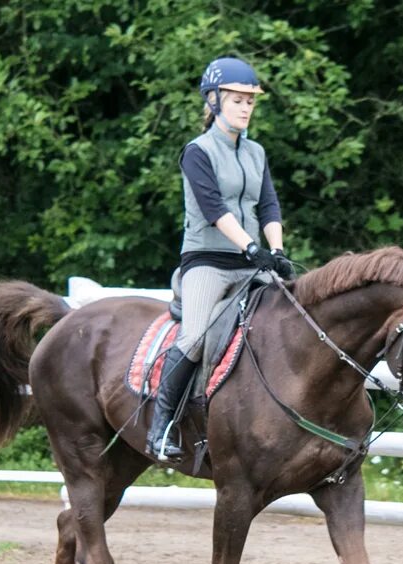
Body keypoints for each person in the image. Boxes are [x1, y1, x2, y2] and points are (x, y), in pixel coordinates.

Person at [146, 56, 293, 461]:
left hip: (252, 262)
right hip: (207, 261)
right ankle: (161, 429)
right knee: (194, 336)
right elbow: (214, 208)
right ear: (213, 101)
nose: (246, 107)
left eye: (250, 101)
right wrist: (249, 246)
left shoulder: (256, 153)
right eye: (237, 100)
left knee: (287, 323)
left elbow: (269, 205)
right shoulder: (197, 152)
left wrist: (276, 251)